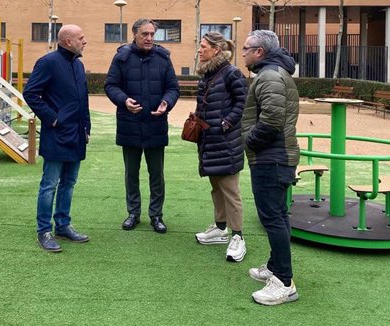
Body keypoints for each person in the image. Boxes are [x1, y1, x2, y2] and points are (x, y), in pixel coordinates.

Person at [240, 30, 300, 305]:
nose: (243, 54)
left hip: (271, 158)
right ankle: (276, 267)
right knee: (278, 215)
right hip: (275, 156)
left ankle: (284, 282)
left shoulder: (270, 76)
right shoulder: (271, 73)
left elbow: (273, 119)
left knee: (272, 218)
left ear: (260, 52)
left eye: (246, 49)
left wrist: (250, 142)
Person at [104, 18, 179, 233]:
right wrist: (124, 100)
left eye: (152, 34)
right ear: (134, 34)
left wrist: (167, 102)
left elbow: (173, 88)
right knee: (131, 173)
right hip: (129, 124)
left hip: (156, 123)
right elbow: (111, 85)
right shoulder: (121, 57)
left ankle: (156, 215)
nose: (149, 38)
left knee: (157, 174)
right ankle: (133, 213)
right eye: (145, 34)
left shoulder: (163, 58)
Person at [23, 24, 91, 253]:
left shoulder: (79, 65)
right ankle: (44, 230)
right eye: (81, 38)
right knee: (49, 185)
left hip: (77, 135)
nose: (85, 41)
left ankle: (63, 225)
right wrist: (52, 118)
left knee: (69, 183)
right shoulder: (48, 62)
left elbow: (83, 100)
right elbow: (31, 93)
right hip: (57, 134)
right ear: (68, 42)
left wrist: (87, 128)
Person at [193, 32, 248, 263]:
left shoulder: (232, 72)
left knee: (230, 191)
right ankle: (220, 228)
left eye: (203, 46)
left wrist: (226, 123)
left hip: (225, 141)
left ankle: (238, 237)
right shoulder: (208, 73)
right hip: (209, 140)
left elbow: (242, 102)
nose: (199, 49)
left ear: (216, 50)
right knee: (216, 187)